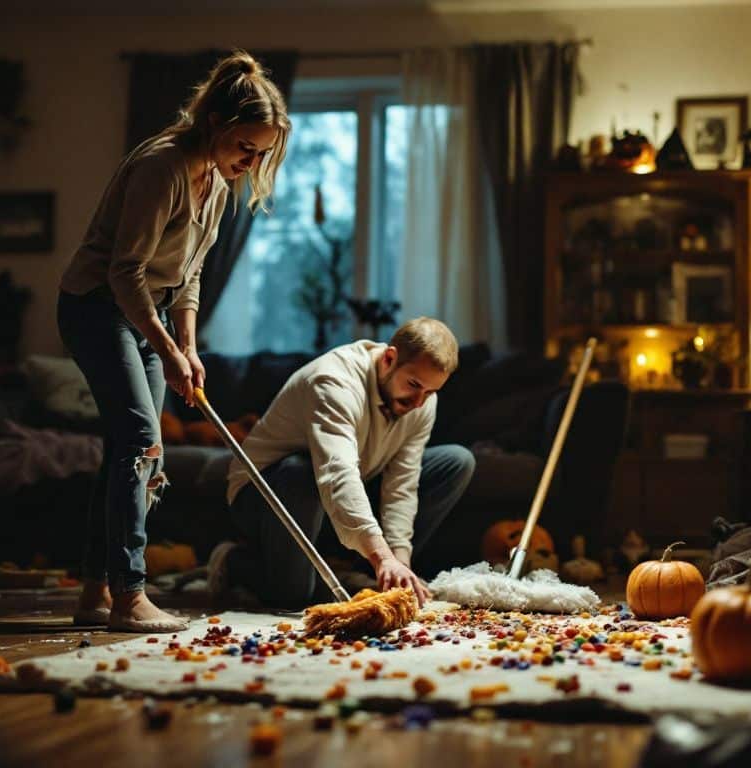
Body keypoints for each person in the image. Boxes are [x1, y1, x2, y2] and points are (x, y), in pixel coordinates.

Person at [57, 51, 290, 632]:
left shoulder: (217, 179)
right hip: (96, 307)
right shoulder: (163, 167)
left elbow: (189, 274)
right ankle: (130, 596)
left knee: (125, 450)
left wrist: (189, 347)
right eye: (246, 147)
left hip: (146, 309)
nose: (252, 161)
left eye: (262, 154)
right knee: (142, 441)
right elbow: (125, 273)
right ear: (216, 123)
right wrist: (165, 348)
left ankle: (94, 590)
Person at [215, 317, 476, 609]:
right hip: (267, 492)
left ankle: (365, 573)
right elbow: (336, 474)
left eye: (430, 392)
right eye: (414, 385)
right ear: (389, 359)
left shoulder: (421, 400)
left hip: (337, 498)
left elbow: (402, 483)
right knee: (293, 596)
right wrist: (382, 556)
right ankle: (232, 561)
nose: (418, 403)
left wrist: (399, 562)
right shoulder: (334, 381)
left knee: (456, 461)